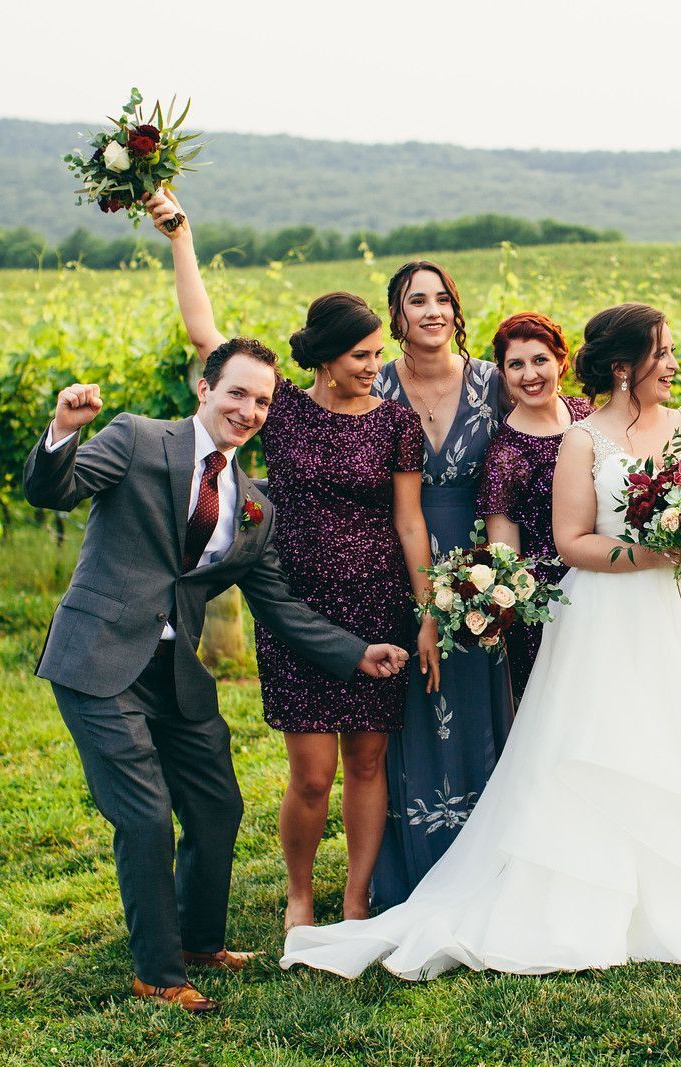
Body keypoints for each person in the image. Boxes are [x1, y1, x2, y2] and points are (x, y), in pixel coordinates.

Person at [282, 303, 681, 979]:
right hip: (609, 611)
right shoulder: (584, 440)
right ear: (623, 367)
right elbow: (573, 541)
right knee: (607, 748)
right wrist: (655, 554)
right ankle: (612, 887)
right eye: (661, 353)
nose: (672, 364)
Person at [24, 342, 408, 1015]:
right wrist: (63, 430)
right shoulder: (139, 439)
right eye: (237, 393)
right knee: (144, 815)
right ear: (205, 387)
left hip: (174, 671)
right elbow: (52, 490)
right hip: (98, 658)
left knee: (217, 804)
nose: (250, 409)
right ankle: (158, 972)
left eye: (262, 400)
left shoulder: (253, 504)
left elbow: (281, 608)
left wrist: (356, 652)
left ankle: (201, 941)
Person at [145, 192, 437, 932]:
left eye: (379, 353)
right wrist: (182, 237)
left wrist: (428, 613)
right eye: (363, 356)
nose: (377, 366)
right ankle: (301, 897)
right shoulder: (285, 410)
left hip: (379, 606)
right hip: (295, 609)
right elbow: (203, 332)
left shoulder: (398, 423)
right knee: (312, 775)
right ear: (328, 359)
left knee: (368, 765)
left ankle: (357, 899)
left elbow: (409, 523)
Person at [370, 259, 515, 908]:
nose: (432, 310)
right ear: (396, 316)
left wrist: (503, 574)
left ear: (456, 312)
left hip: (482, 564)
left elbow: (542, 437)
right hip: (395, 563)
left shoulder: (493, 381)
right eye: (416, 300)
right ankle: (413, 870)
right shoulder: (373, 387)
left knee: (479, 701)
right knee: (410, 709)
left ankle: (491, 863)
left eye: (442, 300)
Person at [476, 311, 593, 703]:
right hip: (548, 608)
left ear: (560, 361)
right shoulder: (505, 455)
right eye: (516, 365)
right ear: (503, 374)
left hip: (610, 580)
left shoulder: (587, 415)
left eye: (540, 360)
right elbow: (506, 559)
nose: (530, 374)